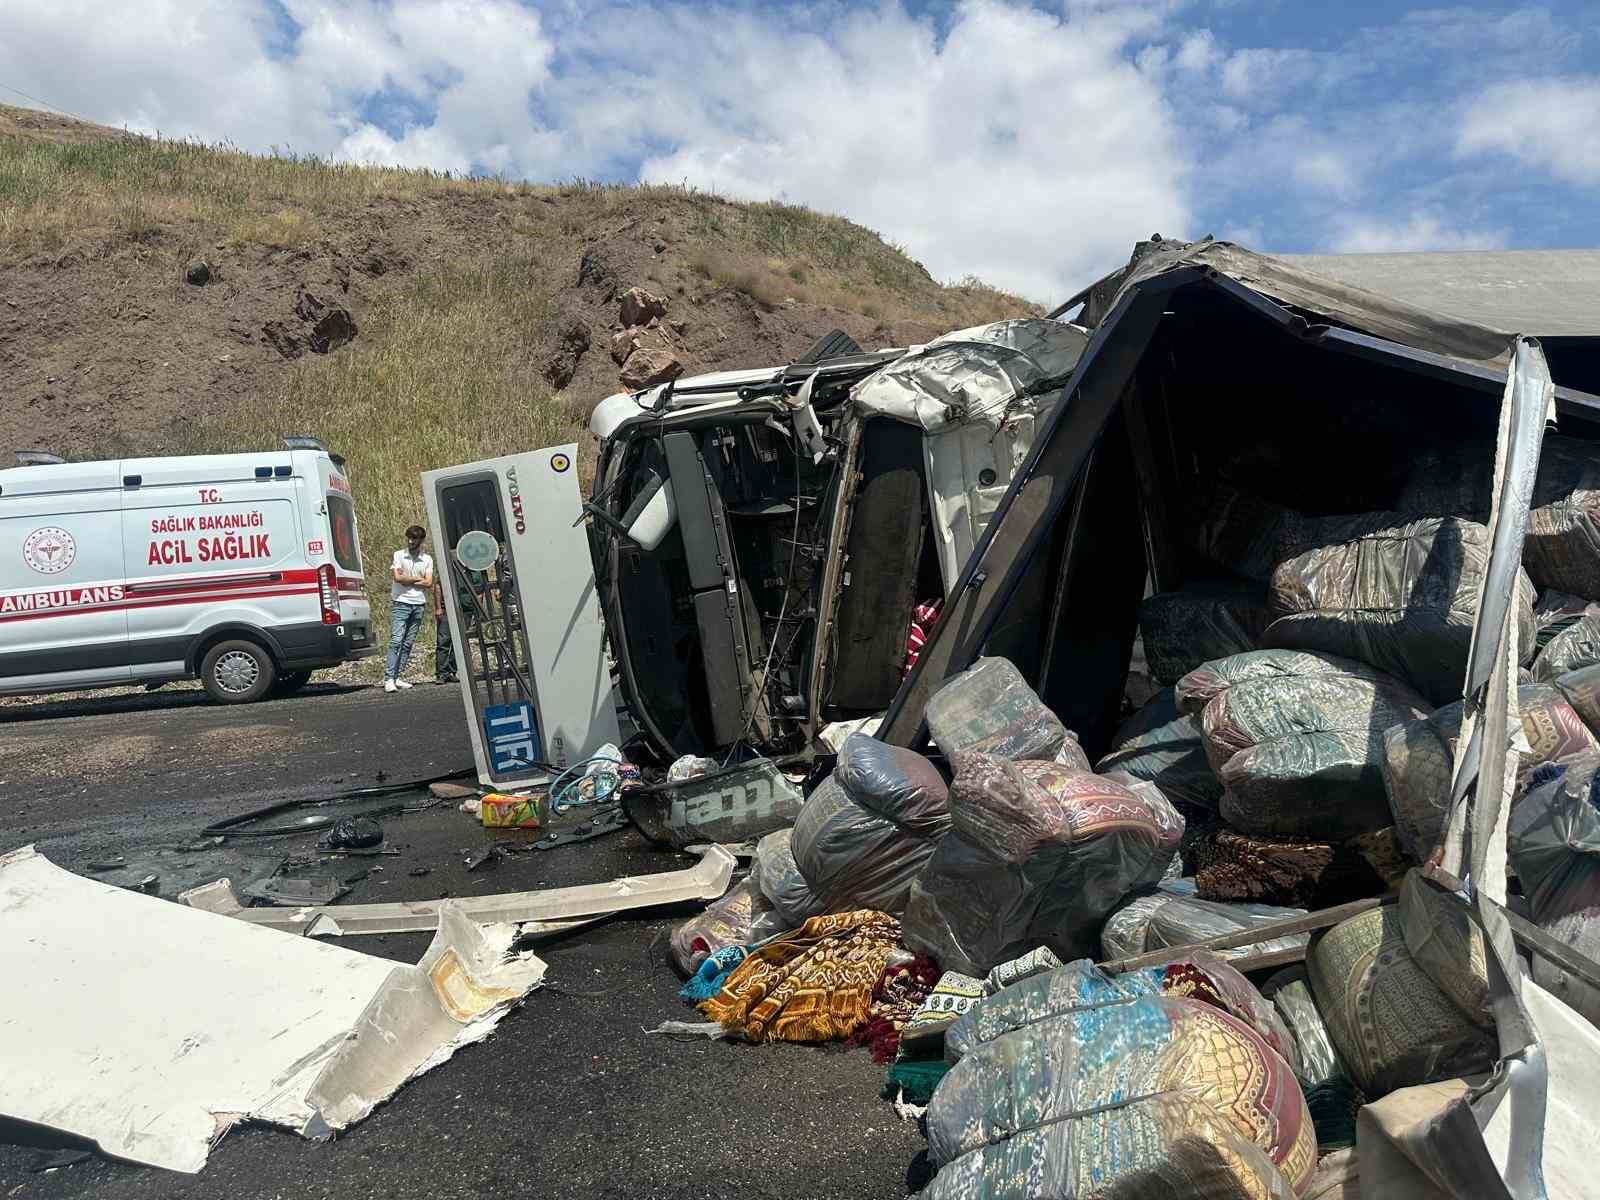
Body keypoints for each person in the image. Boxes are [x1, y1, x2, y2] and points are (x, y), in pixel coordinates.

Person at [384, 525, 433, 693]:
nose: (411, 541)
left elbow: (428, 582)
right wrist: (417, 579)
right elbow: (398, 578)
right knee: (396, 640)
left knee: (408, 643)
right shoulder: (399, 555)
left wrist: (409, 579)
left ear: (421, 540)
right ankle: (389, 678)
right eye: (409, 538)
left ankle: (398, 676)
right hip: (401, 602)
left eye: (415, 539)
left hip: (419, 603)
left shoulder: (427, 559)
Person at [432, 574, 457, 685]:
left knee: (458, 643)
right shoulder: (447, 563)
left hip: (463, 609)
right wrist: (438, 608)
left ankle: (451, 671)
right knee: (443, 641)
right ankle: (441, 673)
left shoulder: (470, 564)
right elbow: (438, 586)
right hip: (446, 608)